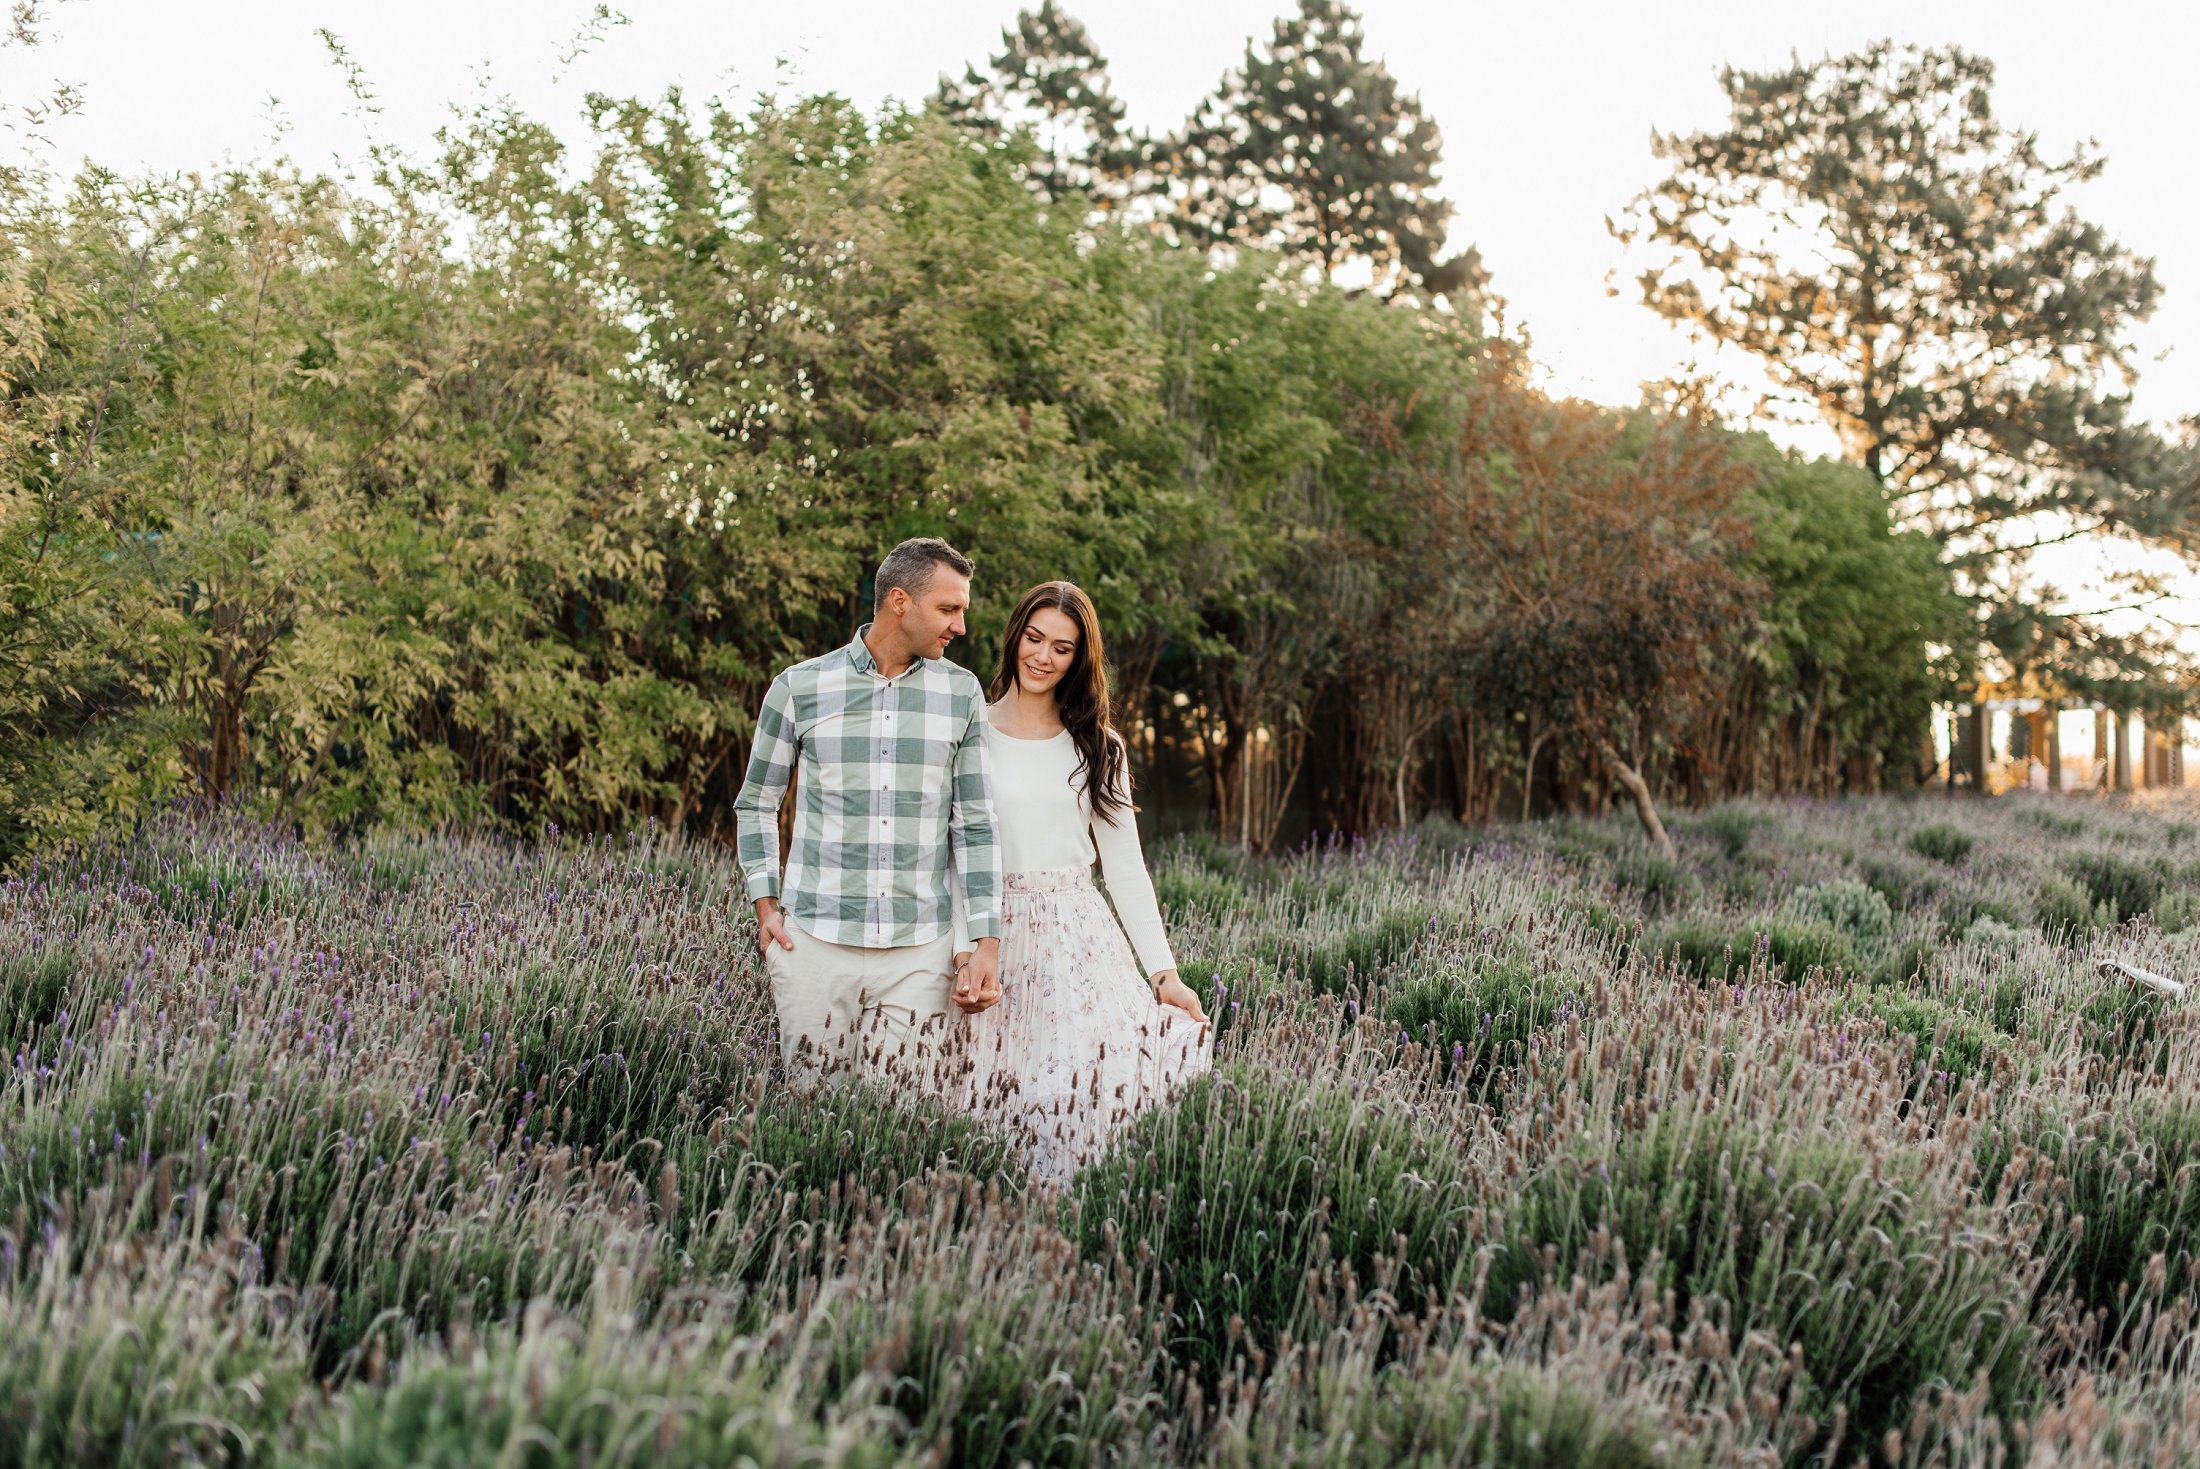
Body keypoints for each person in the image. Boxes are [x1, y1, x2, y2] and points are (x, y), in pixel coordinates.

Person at [957, 580, 1211, 1184]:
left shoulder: (1099, 747)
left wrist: (1164, 972)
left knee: (1081, 1097)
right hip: (990, 936)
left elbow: (1126, 869)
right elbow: (952, 852)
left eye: (1062, 648)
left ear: (1080, 659)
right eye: (1034, 638)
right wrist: (961, 948)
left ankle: (1075, 1234)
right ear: (1015, 636)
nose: (1042, 657)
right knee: (985, 1101)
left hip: (1076, 942)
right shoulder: (970, 734)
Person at [731, 537, 1004, 1094]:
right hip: (813, 946)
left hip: (918, 955)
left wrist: (985, 942)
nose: (960, 627)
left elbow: (974, 824)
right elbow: (757, 801)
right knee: (809, 1122)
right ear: (899, 601)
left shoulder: (962, 694)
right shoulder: (799, 687)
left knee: (905, 1134)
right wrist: (765, 906)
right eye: (948, 610)